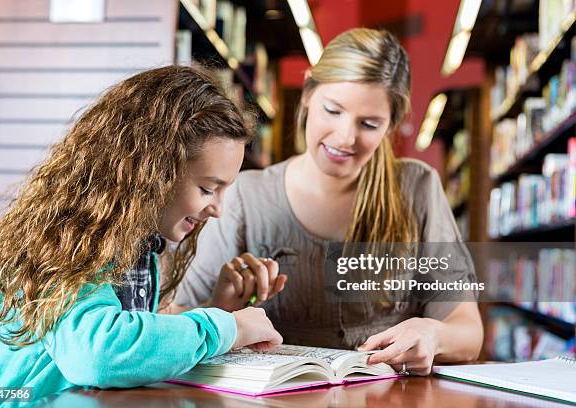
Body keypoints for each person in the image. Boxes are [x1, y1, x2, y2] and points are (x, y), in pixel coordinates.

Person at [172, 29, 483, 376]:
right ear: (308, 93)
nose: (345, 137)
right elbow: (177, 319)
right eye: (332, 110)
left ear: (391, 125)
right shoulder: (245, 195)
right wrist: (220, 309)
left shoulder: (417, 187)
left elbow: (468, 332)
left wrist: (434, 333)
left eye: (369, 124)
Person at [0, 66, 282, 402]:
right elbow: (97, 352)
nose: (217, 209)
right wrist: (226, 328)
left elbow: (129, 334)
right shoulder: (76, 238)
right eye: (207, 189)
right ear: (154, 171)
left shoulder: (138, 240)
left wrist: (216, 308)